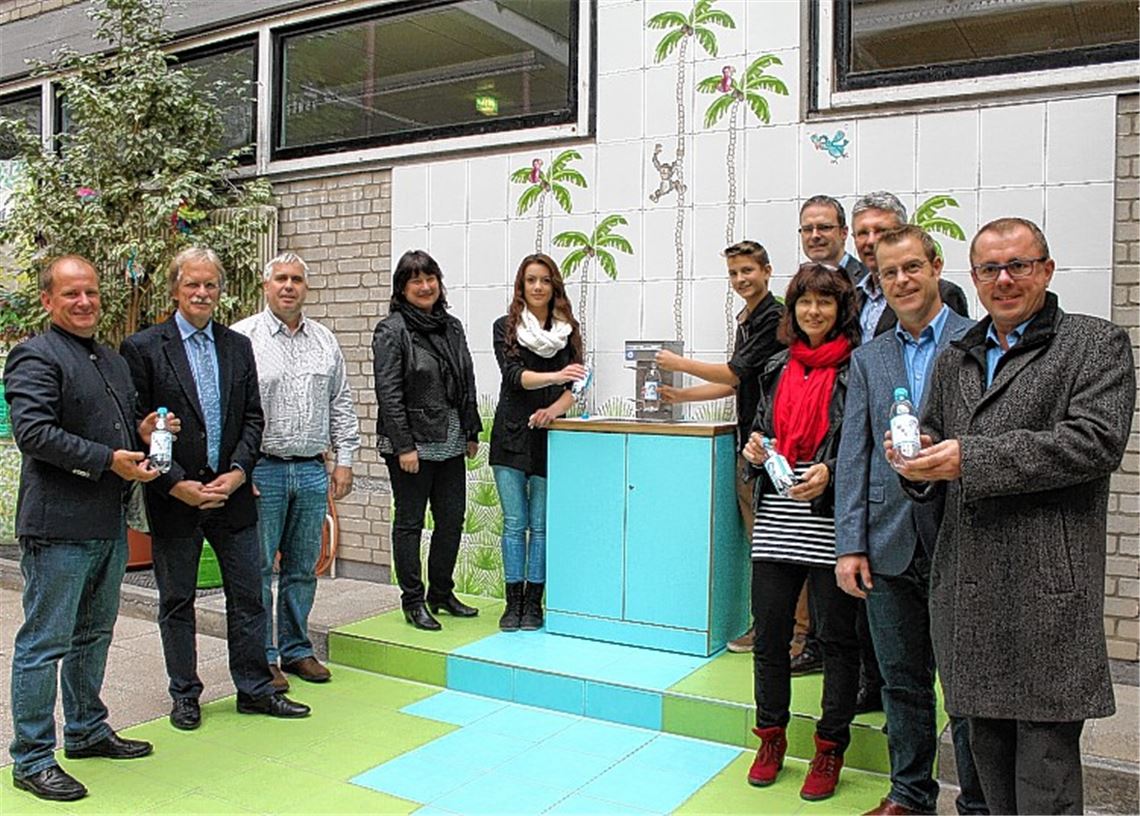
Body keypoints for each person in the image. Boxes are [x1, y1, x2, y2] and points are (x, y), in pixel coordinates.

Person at [890, 218, 1135, 814]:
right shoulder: (958, 357)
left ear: (1046, 270)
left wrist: (967, 459)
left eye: (1018, 265)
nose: (1004, 279)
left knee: (1045, 783)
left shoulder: (1093, 344)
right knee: (987, 778)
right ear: (972, 278)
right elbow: (940, 441)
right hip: (970, 597)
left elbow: (1093, 443)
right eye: (990, 269)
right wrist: (916, 461)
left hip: (1045, 594)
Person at [121, 247, 310, 731]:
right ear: (175, 290)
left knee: (248, 596)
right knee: (177, 600)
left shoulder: (236, 345)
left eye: (210, 286)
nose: (202, 294)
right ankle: (185, 695)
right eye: (193, 285)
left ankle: (255, 688)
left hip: (232, 495)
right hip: (176, 498)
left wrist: (242, 470)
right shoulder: (143, 348)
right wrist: (173, 483)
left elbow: (252, 417)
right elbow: (135, 427)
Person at [834, 226, 986, 816]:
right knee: (902, 682)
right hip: (889, 542)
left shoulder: (979, 343)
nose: (901, 280)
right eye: (888, 273)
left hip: (963, 540)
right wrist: (851, 544)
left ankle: (977, 802)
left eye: (911, 268)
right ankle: (910, 795)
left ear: (935, 267)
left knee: (970, 689)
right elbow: (855, 455)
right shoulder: (871, 357)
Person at [5, 256, 162, 802]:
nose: (85, 302)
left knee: (94, 635)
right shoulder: (34, 356)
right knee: (45, 643)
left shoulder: (111, 359)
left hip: (107, 523)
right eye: (71, 294)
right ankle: (30, 758)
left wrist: (143, 433)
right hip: (58, 527)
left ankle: (87, 729)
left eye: (91, 293)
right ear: (48, 300)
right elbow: (34, 434)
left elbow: (118, 428)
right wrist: (106, 459)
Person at [742, 261, 861, 802]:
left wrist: (831, 471)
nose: (814, 311)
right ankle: (770, 738)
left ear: (841, 310)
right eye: (804, 302)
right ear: (793, 310)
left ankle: (830, 747)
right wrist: (754, 448)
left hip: (830, 521)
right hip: (776, 521)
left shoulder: (857, 368)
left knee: (837, 641)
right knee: (769, 639)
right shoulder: (776, 365)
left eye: (825, 302)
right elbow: (762, 427)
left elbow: (861, 444)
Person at [232, 252, 360, 690]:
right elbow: (232, 414)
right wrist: (238, 469)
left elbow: (341, 403)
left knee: (304, 568)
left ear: (307, 288)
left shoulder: (325, 341)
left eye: (297, 280)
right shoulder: (242, 338)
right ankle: (262, 656)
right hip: (262, 470)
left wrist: (344, 460)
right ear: (265, 286)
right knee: (259, 569)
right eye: (281, 279)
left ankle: (296, 649)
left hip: (310, 470)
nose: (289, 286)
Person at [654, 240, 783, 653]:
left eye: (748, 270)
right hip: (750, 444)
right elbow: (736, 381)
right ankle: (771, 629)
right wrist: (683, 397)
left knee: (773, 545)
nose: (741, 279)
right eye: (734, 273)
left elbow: (734, 370)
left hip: (772, 447)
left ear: (766, 270)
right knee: (759, 541)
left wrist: (679, 365)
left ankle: (785, 633)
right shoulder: (749, 318)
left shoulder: (774, 318)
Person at [372, 249, 481, 631]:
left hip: (451, 437)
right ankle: (413, 601)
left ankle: (441, 592)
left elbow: (467, 380)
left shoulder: (451, 326)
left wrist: (471, 429)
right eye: (415, 280)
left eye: (430, 277)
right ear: (402, 288)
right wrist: (404, 446)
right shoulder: (392, 329)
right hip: (411, 444)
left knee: (451, 519)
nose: (425, 286)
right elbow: (388, 392)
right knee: (410, 523)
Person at [490, 254, 585, 631]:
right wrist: (557, 375)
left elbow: (575, 386)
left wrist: (555, 411)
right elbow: (515, 377)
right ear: (521, 286)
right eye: (531, 280)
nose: (538, 287)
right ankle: (512, 602)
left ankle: (534, 604)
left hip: (550, 437)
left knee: (541, 527)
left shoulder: (569, 330)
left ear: (554, 286)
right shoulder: (505, 327)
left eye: (545, 280)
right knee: (515, 524)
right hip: (510, 436)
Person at [850, 191, 969, 342]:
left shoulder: (943, 294)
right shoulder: (853, 295)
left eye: (881, 231)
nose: (871, 241)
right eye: (862, 233)